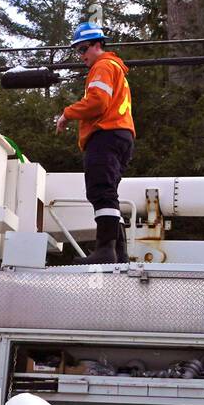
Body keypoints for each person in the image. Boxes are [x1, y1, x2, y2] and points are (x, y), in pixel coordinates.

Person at [54, 22, 135, 264]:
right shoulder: (114, 68)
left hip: (106, 135)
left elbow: (98, 102)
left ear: (98, 45)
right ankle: (118, 254)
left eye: (83, 49)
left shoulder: (102, 66)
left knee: (101, 192)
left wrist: (67, 113)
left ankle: (105, 251)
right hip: (121, 136)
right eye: (78, 50)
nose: (82, 55)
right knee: (109, 193)